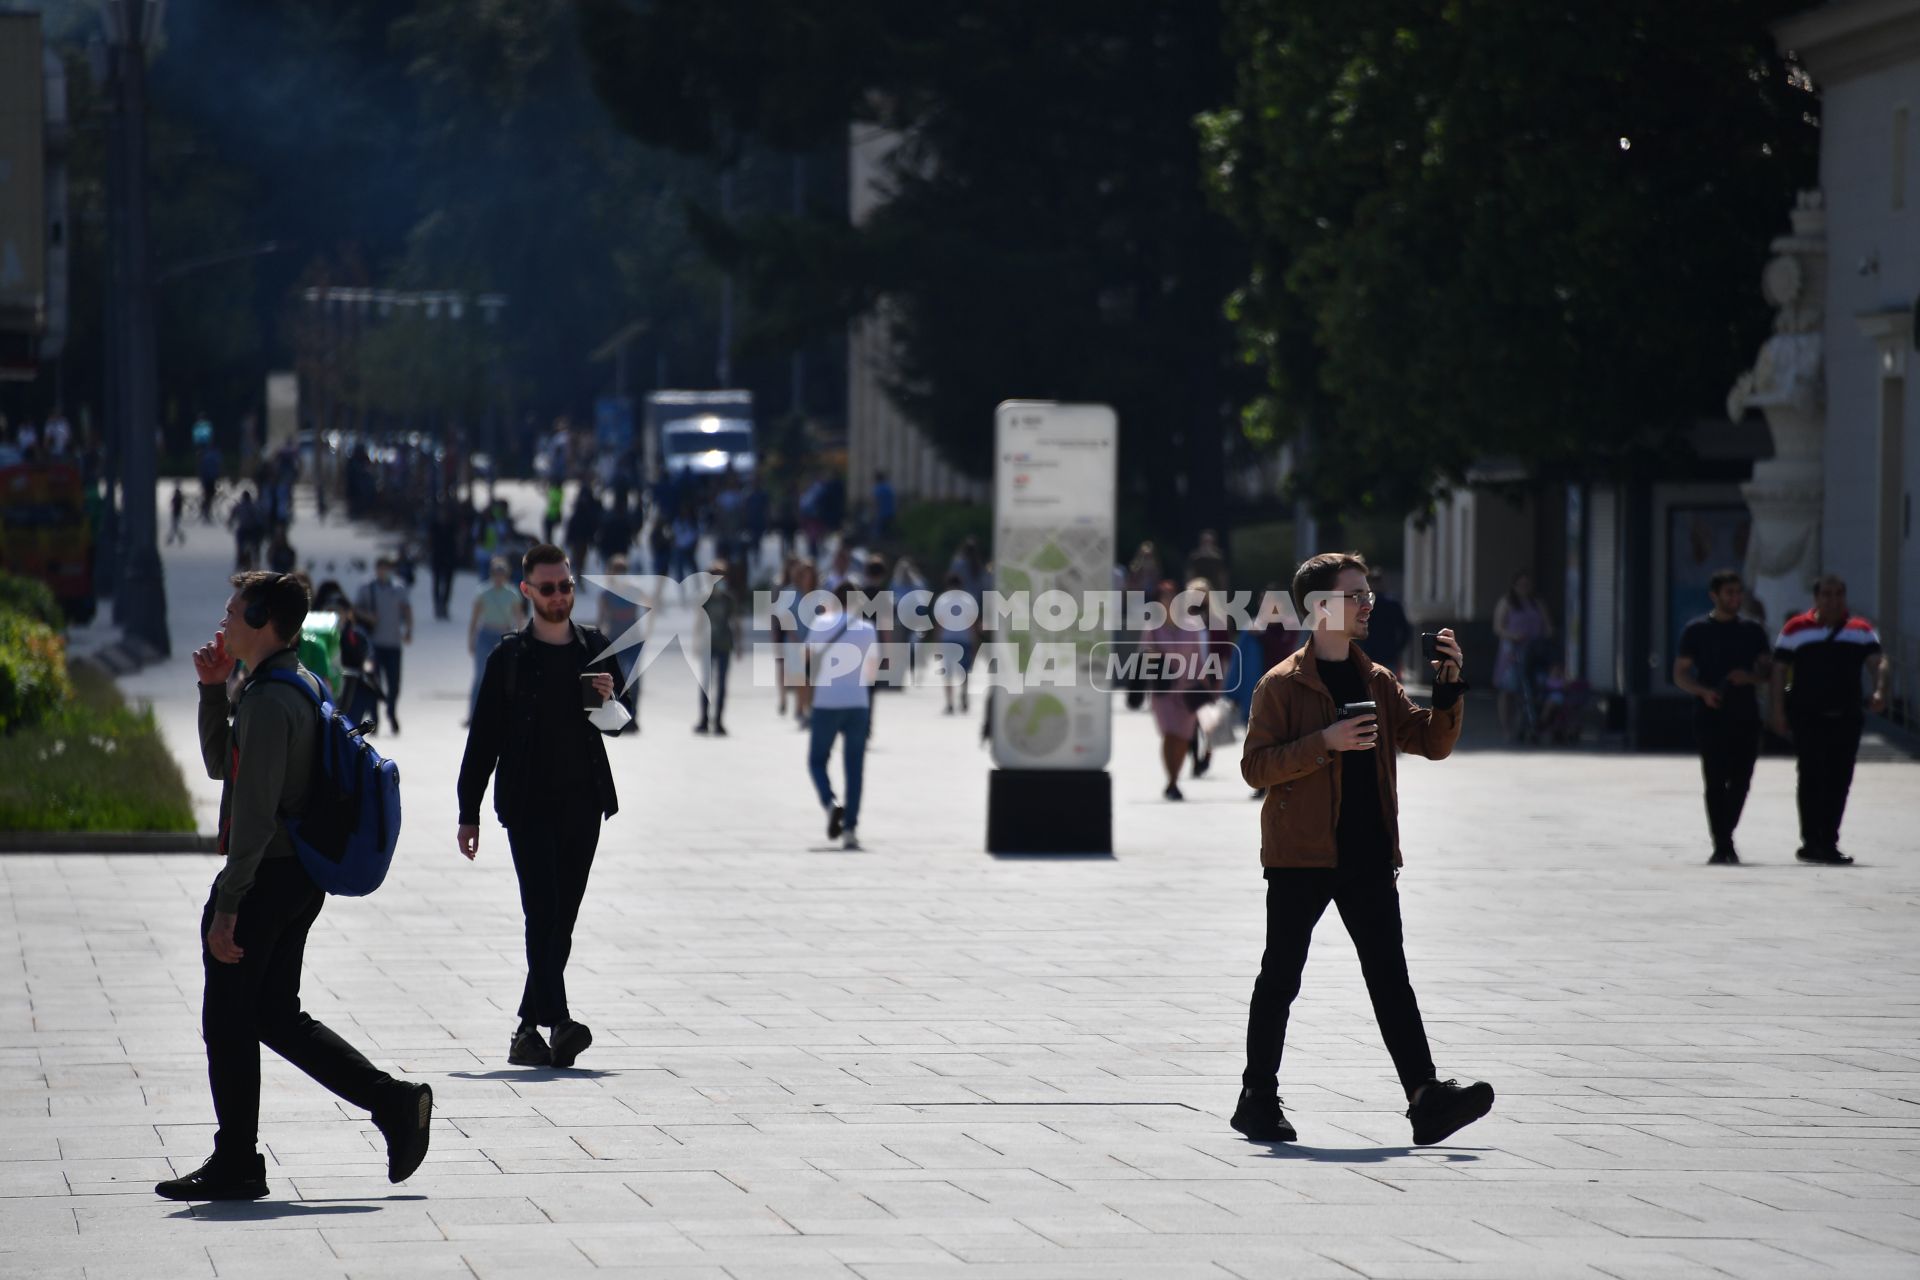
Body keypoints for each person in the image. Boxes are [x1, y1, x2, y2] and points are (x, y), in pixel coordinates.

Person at [158, 572, 430, 1202]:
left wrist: (227, 908)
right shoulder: (290, 682)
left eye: (231, 612)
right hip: (296, 878)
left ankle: (237, 1162)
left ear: (261, 618)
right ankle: (393, 1103)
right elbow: (222, 764)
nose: (223, 623)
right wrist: (209, 690)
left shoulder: (270, 700)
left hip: (264, 878)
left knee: (228, 1020)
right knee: (274, 1016)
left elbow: (250, 816)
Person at [1234, 551, 1493, 1148]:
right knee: (1281, 977)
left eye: (1368, 594)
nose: (1368, 604)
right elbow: (1254, 768)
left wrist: (1450, 689)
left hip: (1370, 853)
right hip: (1301, 855)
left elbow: (1429, 741)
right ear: (1320, 608)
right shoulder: (1282, 686)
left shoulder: (1378, 679)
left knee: (1389, 977)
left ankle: (1426, 1099)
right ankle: (1257, 1098)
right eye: (1357, 596)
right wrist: (1323, 741)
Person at [457, 544, 622, 1068]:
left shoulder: (593, 649)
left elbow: (616, 725)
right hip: (527, 805)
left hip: (584, 804)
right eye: (548, 588)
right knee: (542, 911)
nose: (559, 596)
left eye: (566, 586)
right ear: (527, 592)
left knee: (563, 918)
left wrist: (611, 699)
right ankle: (562, 1022)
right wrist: (469, 810)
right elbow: (482, 740)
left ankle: (529, 1029)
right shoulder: (510, 657)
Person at [1769, 576, 1889, 865]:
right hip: (1807, 716)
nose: (1833, 600)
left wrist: (1880, 689)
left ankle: (1829, 841)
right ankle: (1811, 841)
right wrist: (1776, 711)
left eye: (1838, 594)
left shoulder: (1860, 630)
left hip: (1846, 716)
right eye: (1826, 594)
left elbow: (1879, 661)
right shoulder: (1795, 629)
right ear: (1816, 598)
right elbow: (1778, 670)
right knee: (1811, 776)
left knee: (1840, 779)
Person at [1673, 570, 1771, 865]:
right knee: (1715, 780)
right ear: (1714, 595)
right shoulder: (1697, 630)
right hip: (1711, 713)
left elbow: (1768, 671)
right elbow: (1680, 673)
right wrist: (1702, 692)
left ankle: (1725, 835)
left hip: (1745, 714)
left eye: (1738, 593)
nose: (1735, 598)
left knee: (1742, 780)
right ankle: (1722, 843)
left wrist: (1750, 677)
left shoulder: (1753, 631)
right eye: (1729, 593)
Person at [805, 580, 878, 850]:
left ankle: (830, 802)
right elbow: (872, 671)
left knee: (816, 760)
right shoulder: (867, 629)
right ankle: (850, 828)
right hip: (857, 703)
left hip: (826, 701)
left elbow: (807, 661)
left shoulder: (820, 623)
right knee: (855, 767)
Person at [1146, 580, 1209, 800]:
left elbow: (1199, 656)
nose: (1168, 600)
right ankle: (1171, 780)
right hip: (1163, 688)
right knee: (1168, 733)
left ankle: (1175, 778)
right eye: (1164, 597)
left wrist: (1205, 684)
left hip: (1187, 688)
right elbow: (1143, 653)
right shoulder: (1153, 626)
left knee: (1182, 736)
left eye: (1171, 596)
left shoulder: (1192, 625)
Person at [1492, 570, 1553, 741]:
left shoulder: (1537, 603)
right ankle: (1506, 727)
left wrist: (1548, 634)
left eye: (1527, 585)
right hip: (1512, 652)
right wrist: (1513, 635)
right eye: (1521, 585)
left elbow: (1547, 625)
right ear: (1514, 586)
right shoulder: (1507, 602)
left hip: (1533, 651)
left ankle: (1524, 723)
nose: (1524, 588)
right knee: (1508, 689)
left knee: (1528, 689)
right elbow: (1498, 627)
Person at [355, 557, 413, 735]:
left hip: (393, 643)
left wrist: (409, 630)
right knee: (373, 683)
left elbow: (407, 609)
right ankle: (375, 719)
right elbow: (355, 609)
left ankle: (391, 711)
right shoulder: (367, 587)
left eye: (386, 568)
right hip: (373, 646)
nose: (383, 572)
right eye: (381, 568)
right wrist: (368, 617)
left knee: (394, 683)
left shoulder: (399, 588)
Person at [469, 557, 527, 722]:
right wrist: (471, 638)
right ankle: (473, 714)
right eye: (496, 573)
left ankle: (504, 713)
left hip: (503, 634)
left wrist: (521, 638)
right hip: (486, 632)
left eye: (501, 573)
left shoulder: (512, 593)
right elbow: (475, 617)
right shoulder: (483, 592)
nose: (498, 577)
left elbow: (519, 618)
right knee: (480, 675)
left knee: (506, 675)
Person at [594, 552, 646, 733]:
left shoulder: (634, 591)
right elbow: (601, 619)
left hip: (633, 642)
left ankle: (633, 716)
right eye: (616, 571)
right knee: (617, 680)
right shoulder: (606, 595)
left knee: (634, 680)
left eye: (622, 570)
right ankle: (620, 716)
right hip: (615, 640)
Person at [696, 559, 740, 735]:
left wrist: (739, 644)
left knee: (721, 684)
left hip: (724, 644)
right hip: (707, 644)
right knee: (706, 683)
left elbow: (735, 622)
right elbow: (698, 621)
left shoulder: (728, 598)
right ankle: (704, 719)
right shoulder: (704, 598)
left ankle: (719, 720)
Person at [933, 571, 979, 715]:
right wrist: (975, 642)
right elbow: (972, 624)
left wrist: (936, 643)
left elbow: (939, 624)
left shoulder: (942, 600)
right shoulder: (968, 600)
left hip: (947, 640)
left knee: (948, 673)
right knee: (964, 672)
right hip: (964, 639)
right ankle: (964, 695)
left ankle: (949, 703)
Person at [1360, 571, 1412, 677]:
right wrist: (1398, 648)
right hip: (1386, 653)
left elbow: (1405, 629)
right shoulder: (1392, 604)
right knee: (1390, 687)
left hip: (1373, 652)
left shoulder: (1365, 605)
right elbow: (1405, 629)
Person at [429, 505, 459, 621]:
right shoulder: (434, 526)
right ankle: (437, 605)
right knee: (436, 583)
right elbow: (430, 540)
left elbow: (457, 540)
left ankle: (445, 606)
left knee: (448, 584)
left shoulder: (452, 526)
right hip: (437, 558)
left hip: (450, 559)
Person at [871, 469, 896, 543]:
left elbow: (876, 502)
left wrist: (873, 513)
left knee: (880, 533)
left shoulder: (878, 489)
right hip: (890, 512)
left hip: (881, 514)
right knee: (888, 531)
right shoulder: (888, 488)